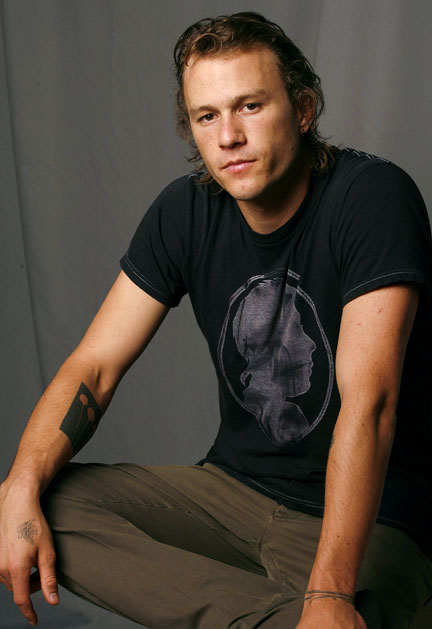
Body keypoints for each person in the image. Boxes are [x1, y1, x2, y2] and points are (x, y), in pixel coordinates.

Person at [0, 11, 431, 629]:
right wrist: (18, 487)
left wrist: (331, 595)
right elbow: (94, 368)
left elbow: (372, 405)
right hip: (231, 496)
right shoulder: (186, 210)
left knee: (342, 602)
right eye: (207, 116)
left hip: (371, 517)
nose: (228, 136)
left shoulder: (371, 196)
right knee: (44, 503)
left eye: (250, 106)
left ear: (303, 109)